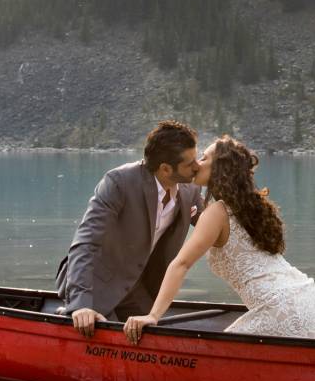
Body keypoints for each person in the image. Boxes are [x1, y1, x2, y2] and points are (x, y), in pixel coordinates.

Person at [124, 136, 315, 342]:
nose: (197, 164)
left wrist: (153, 316)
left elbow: (181, 264)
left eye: (204, 158)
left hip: (279, 307)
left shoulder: (217, 212)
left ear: (220, 169)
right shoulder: (252, 208)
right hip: (309, 298)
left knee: (212, 363)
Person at [56, 120, 207, 337]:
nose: (197, 166)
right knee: (100, 333)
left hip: (137, 288)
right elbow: (86, 242)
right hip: (97, 282)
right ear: (165, 168)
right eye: (190, 163)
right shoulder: (119, 183)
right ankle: (66, 310)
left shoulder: (189, 189)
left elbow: (209, 224)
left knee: (152, 334)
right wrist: (80, 304)